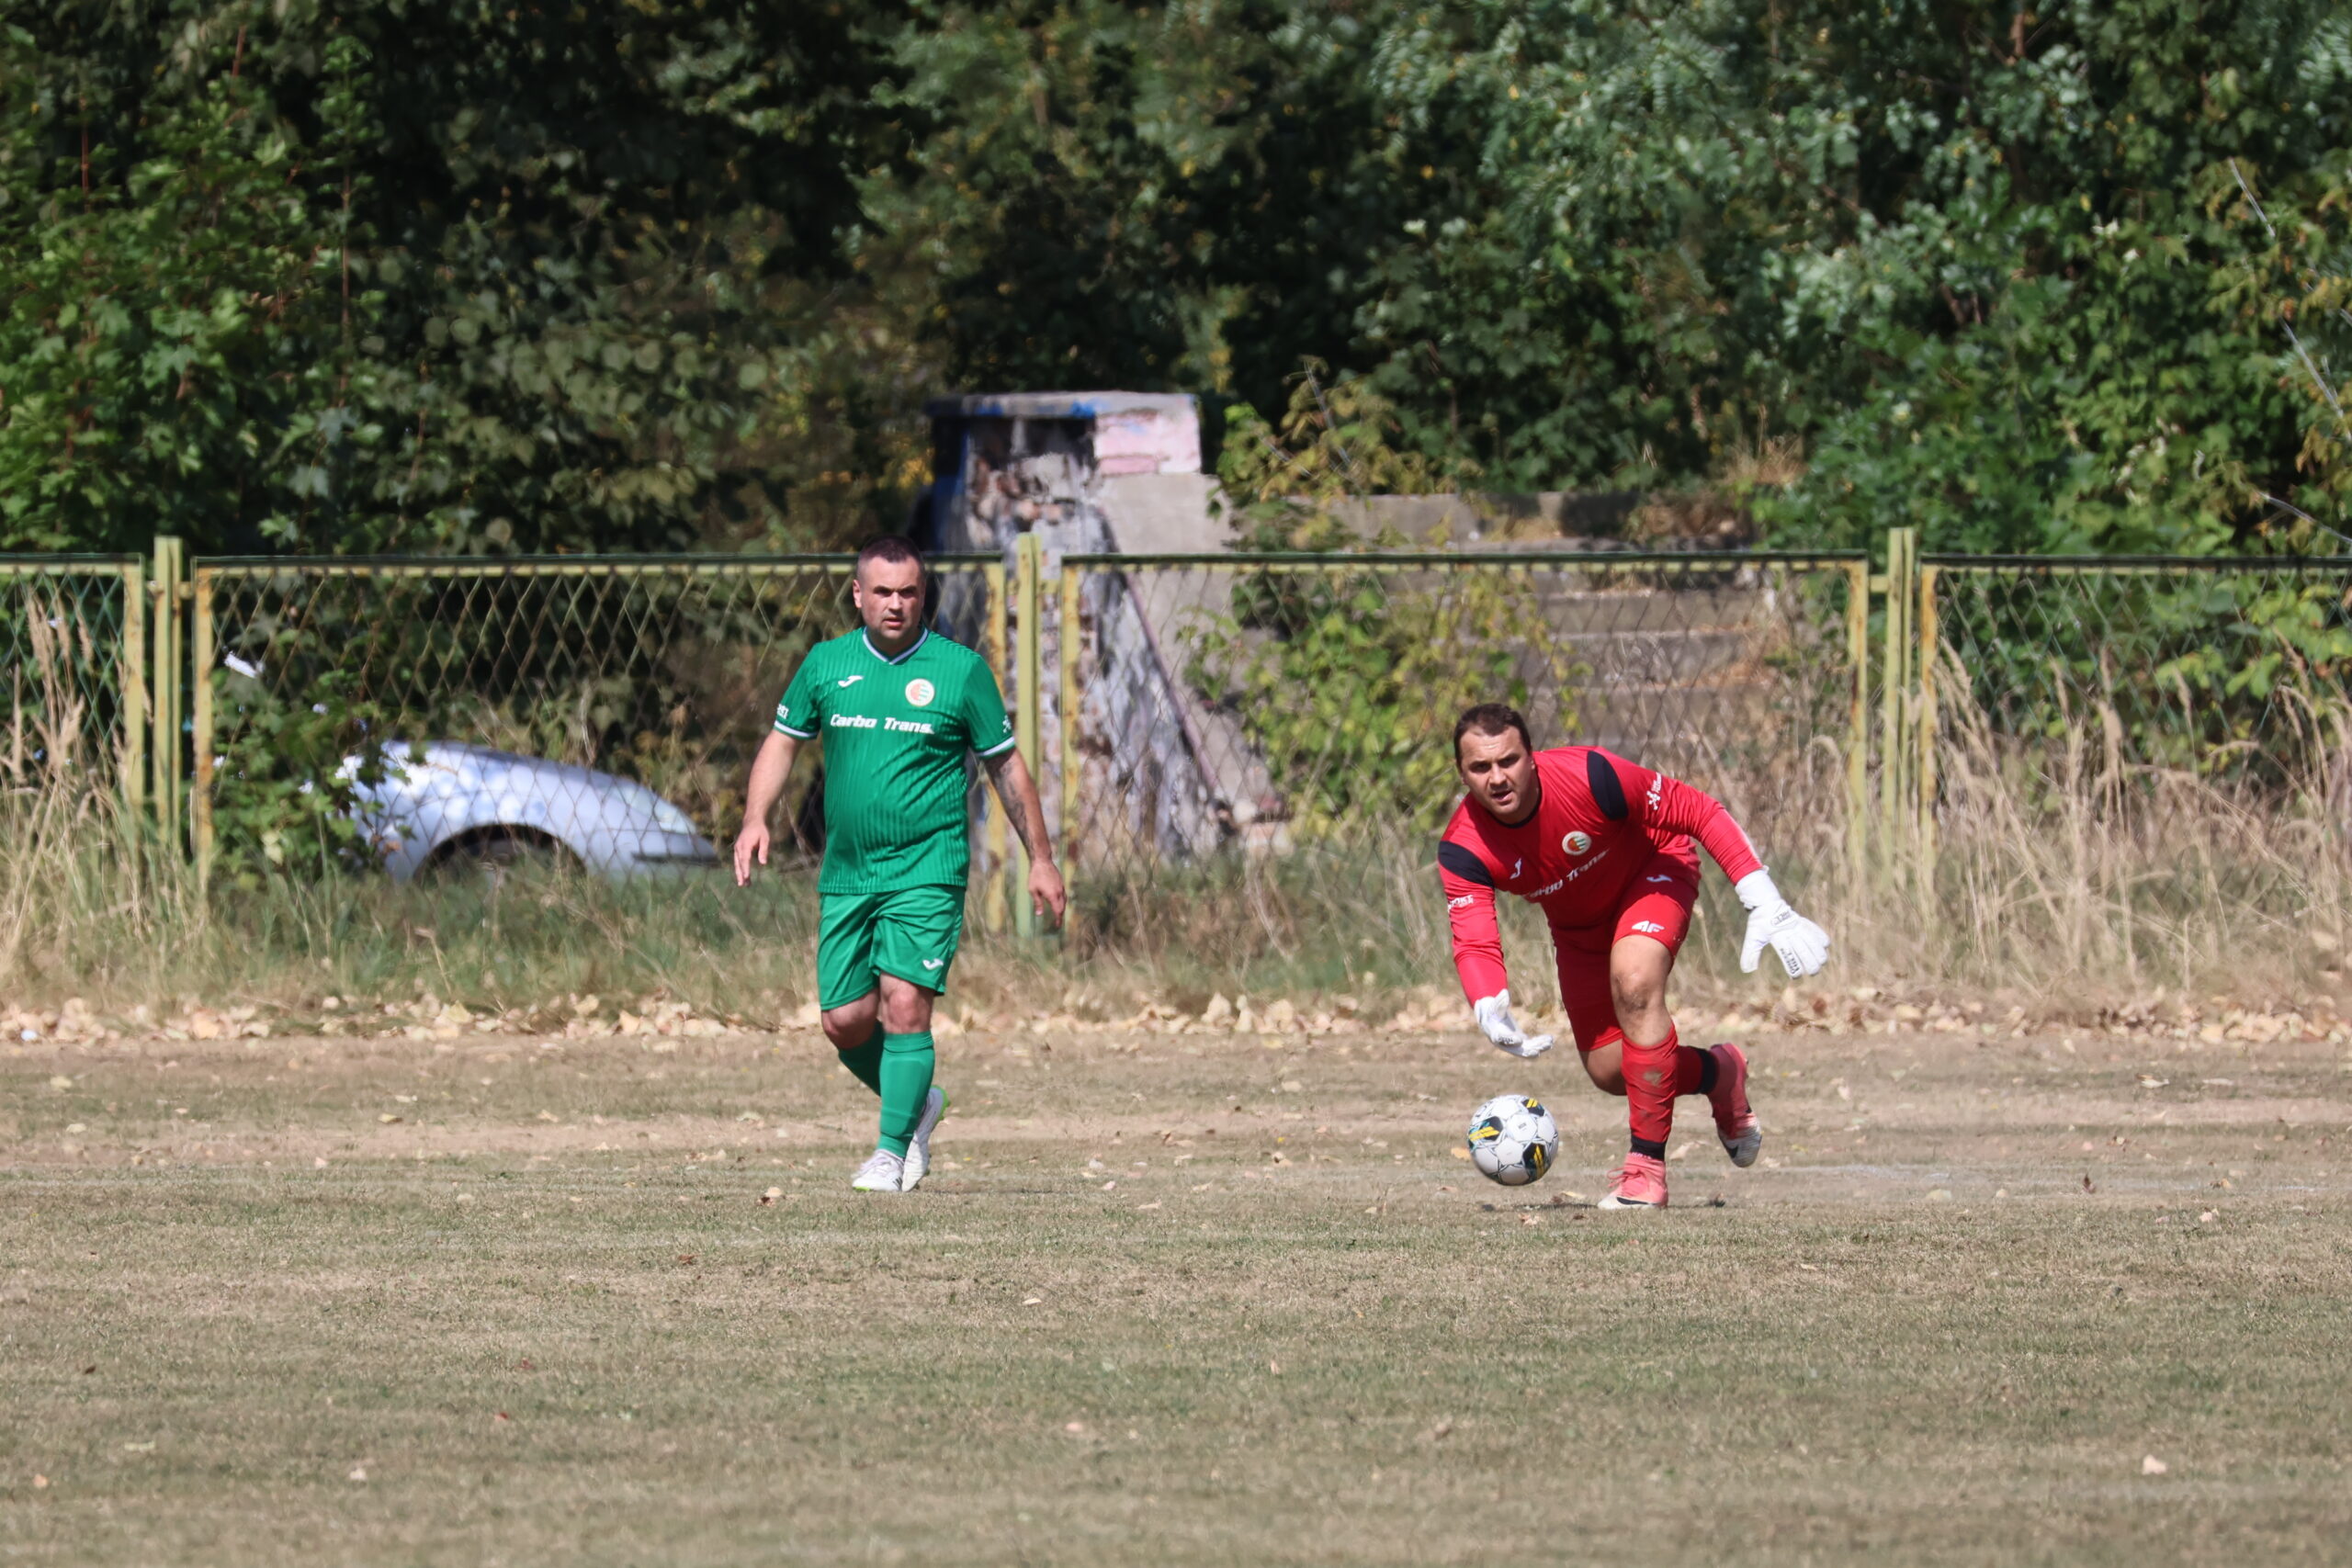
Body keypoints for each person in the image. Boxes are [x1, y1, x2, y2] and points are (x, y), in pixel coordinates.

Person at [734, 536, 1067, 1192]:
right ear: (858, 594)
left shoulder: (960, 671)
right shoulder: (827, 664)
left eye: (908, 592)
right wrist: (753, 818)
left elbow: (1006, 765)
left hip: (927, 867)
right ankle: (916, 1102)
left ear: (922, 596)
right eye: (882, 591)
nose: (895, 603)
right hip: (849, 872)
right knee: (845, 1021)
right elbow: (782, 742)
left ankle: (890, 1154)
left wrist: (1042, 858)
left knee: (906, 1002)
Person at [1437, 703, 1829, 1209]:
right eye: (1480, 767)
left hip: (1654, 870)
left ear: (1532, 757)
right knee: (1609, 1070)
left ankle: (1645, 1172)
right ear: (1462, 773)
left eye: (1508, 761)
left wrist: (1762, 897)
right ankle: (1720, 1073)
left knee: (1635, 980)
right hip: (1578, 929)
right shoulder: (1463, 847)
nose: (1497, 778)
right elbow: (1474, 939)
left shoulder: (1591, 775)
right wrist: (1487, 1003)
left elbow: (1698, 810)